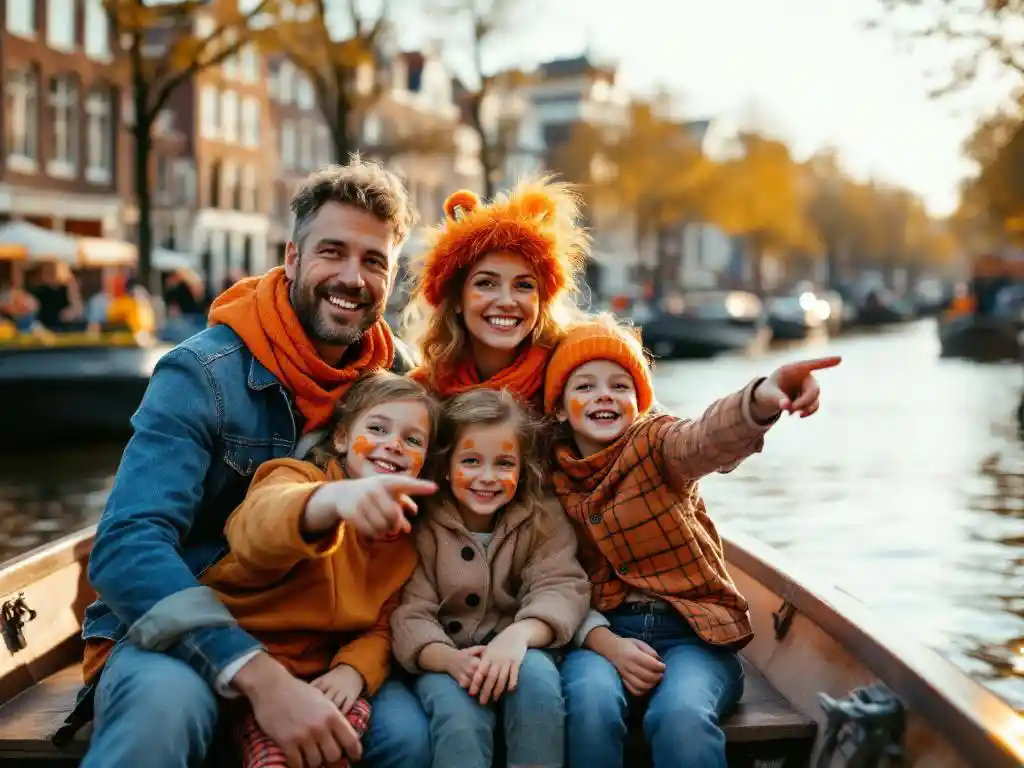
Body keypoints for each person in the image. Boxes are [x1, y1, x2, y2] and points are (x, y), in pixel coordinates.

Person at [66, 159, 431, 768]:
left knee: (410, 735)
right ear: (291, 257)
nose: (351, 276)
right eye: (331, 252)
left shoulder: (399, 385)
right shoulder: (201, 372)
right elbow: (127, 546)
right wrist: (259, 676)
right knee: (165, 709)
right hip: (181, 632)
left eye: (373, 261)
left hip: (327, 641)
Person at [542, 315, 840, 768]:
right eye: (584, 386)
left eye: (620, 386)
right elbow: (551, 578)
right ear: (560, 408)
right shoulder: (549, 480)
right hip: (601, 636)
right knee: (588, 704)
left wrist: (761, 399)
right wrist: (601, 640)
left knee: (679, 715)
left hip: (695, 637)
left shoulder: (658, 442)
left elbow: (705, 439)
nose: (604, 394)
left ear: (639, 402)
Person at [199, 371, 440, 768]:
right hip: (246, 662)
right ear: (342, 438)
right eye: (377, 428)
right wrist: (330, 502)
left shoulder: (404, 536)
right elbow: (257, 524)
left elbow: (384, 624)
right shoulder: (297, 478)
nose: (393, 445)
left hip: (325, 673)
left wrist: (354, 671)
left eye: (413, 440)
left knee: (383, 741)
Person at [391, 388, 591, 768]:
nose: (487, 477)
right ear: (446, 465)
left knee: (540, 687)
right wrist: (448, 660)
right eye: (470, 461)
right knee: (457, 716)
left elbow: (562, 585)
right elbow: (409, 613)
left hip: (523, 648)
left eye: (503, 464)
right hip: (444, 656)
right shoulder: (421, 524)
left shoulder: (541, 516)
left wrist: (519, 635)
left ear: (521, 468)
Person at [403, 177, 589, 406]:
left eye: (523, 285)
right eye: (486, 283)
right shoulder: (419, 395)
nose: (507, 301)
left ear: (541, 300)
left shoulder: (572, 388)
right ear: (458, 299)